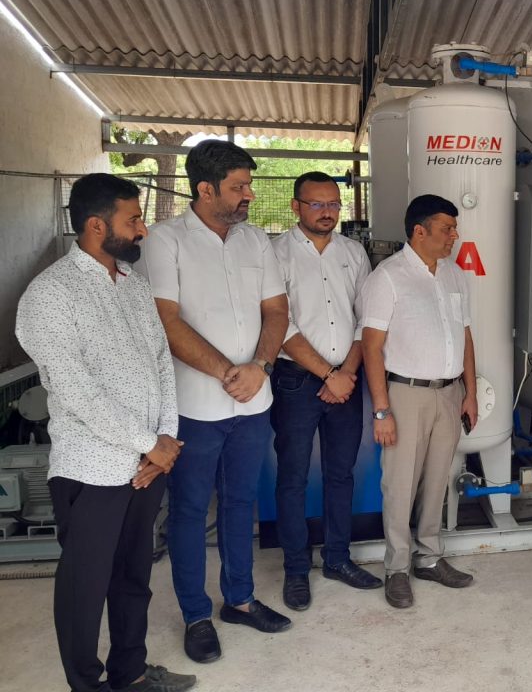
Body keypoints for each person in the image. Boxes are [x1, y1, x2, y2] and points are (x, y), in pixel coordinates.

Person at [16, 174, 195, 692]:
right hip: (91, 469)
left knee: (133, 577)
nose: (142, 229)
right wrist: (149, 444)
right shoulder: (50, 295)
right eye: (133, 219)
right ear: (97, 226)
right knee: (85, 588)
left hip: (147, 466)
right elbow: (77, 392)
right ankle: (86, 685)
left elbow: (161, 365)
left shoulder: (134, 286)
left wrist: (164, 443)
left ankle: (130, 673)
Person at [137, 140, 291, 664]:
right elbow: (166, 321)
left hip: (253, 403)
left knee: (241, 503)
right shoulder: (165, 240)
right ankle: (196, 615)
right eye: (238, 186)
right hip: (195, 406)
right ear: (205, 189)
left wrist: (260, 367)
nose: (249, 195)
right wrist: (229, 372)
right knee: (187, 510)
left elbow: (277, 311)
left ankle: (240, 601)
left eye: (249, 184)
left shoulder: (256, 241)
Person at [359, 194, 479, 609]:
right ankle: (396, 569)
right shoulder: (388, 277)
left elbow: (465, 336)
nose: (454, 235)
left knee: (437, 478)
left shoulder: (454, 275)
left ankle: (429, 558)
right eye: (447, 228)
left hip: (449, 393)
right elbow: (371, 347)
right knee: (400, 483)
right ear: (419, 231)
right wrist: (382, 409)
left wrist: (470, 393)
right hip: (405, 394)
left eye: (455, 228)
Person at [270, 171, 380, 611]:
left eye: (333, 203)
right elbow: (278, 324)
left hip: (347, 379)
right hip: (295, 381)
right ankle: (296, 569)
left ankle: (337, 559)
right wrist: (327, 374)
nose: (327, 212)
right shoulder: (275, 253)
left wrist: (346, 373)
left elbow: (366, 318)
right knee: (293, 478)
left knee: (340, 474)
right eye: (316, 204)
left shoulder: (353, 253)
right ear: (296, 206)